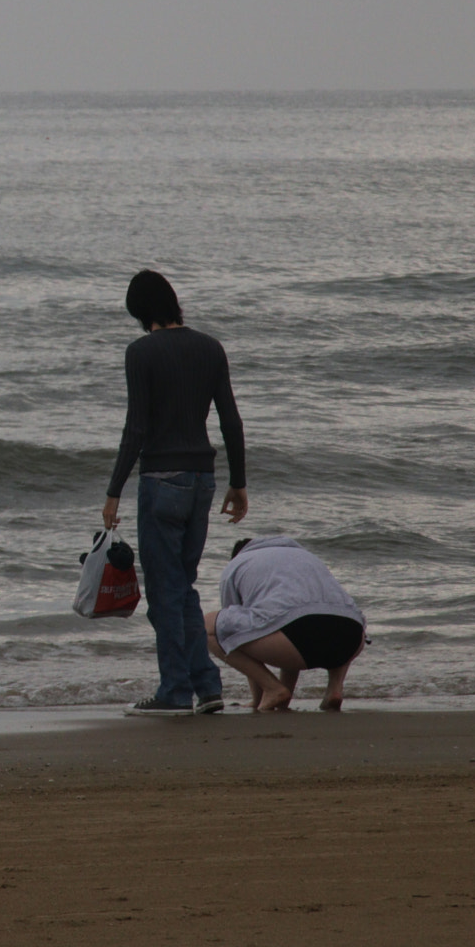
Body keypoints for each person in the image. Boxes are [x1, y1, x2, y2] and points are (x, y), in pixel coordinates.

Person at [103, 269, 247, 717]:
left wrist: (113, 491)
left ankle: (173, 692)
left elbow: (137, 428)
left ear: (144, 314)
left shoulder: (141, 353)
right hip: (202, 482)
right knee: (181, 587)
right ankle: (207, 687)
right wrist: (238, 482)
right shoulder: (210, 348)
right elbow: (230, 420)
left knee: (166, 593)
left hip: (161, 482)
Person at [205, 536, 367, 712]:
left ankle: (272, 689)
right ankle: (334, 690)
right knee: (296, 617)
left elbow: (236, 634)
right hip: (352, 637)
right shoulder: (306, 556)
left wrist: (259, 695)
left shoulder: (237, 564)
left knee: (208, 629)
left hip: (297, 637)